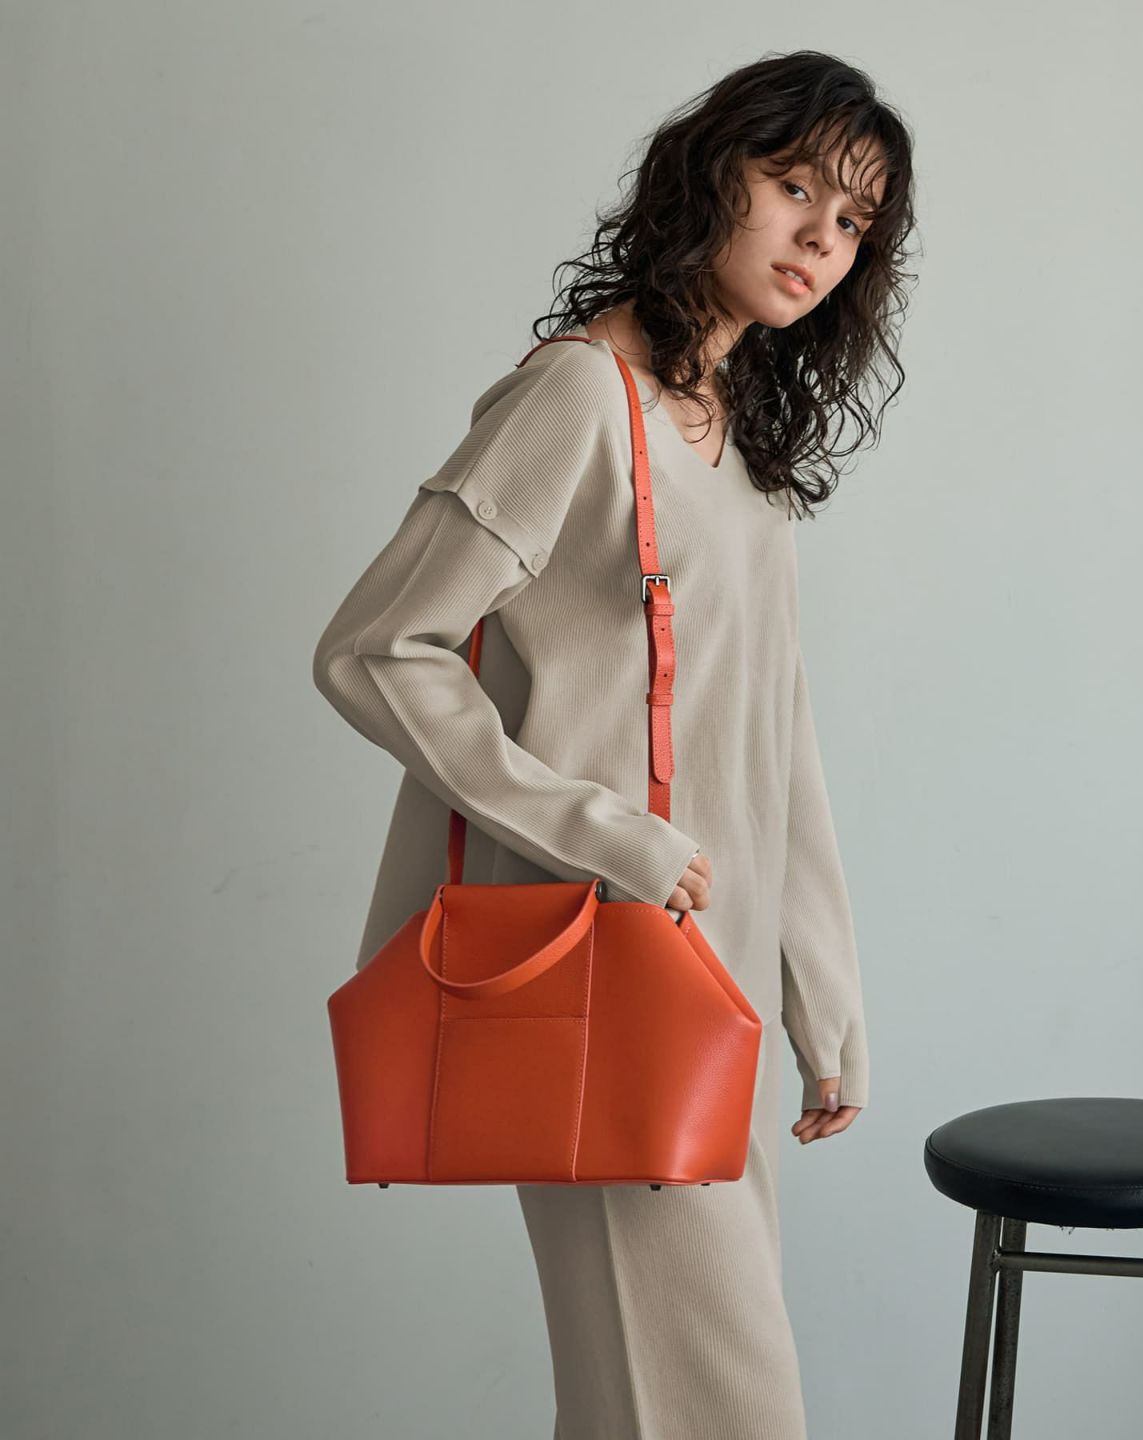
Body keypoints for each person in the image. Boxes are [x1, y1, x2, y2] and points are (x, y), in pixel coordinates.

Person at [312, 48, 915, 1440]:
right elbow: (375, 648)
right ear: (712, 175)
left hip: (718, 980)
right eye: (795, 187)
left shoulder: (736, 441)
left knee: (652, 1396)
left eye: (854, 220)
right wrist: (604, 834)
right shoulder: (581, 401)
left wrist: (823, 996)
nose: (822, 238)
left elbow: (773, 732)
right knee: (711, 1402)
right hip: (599, 958)